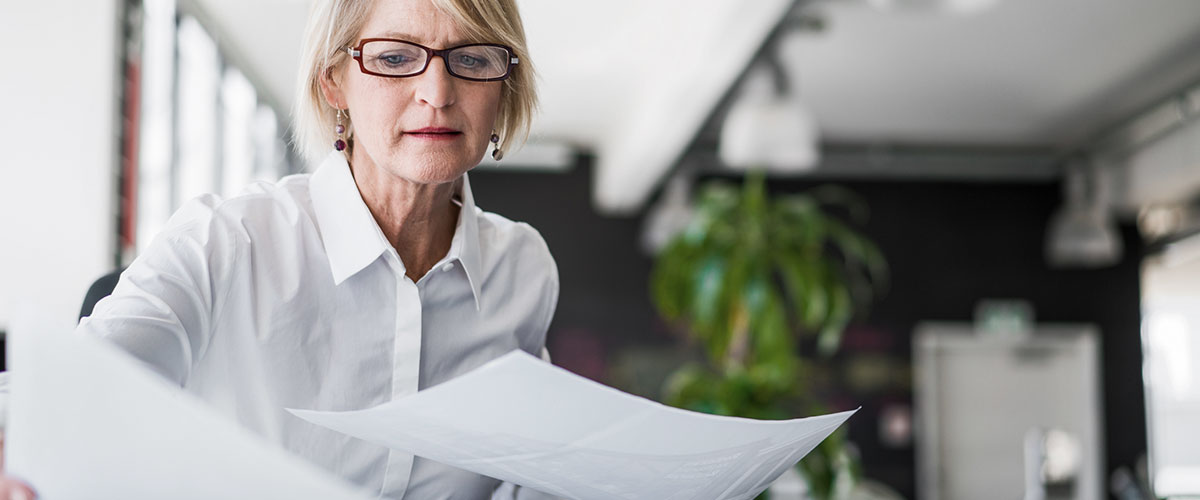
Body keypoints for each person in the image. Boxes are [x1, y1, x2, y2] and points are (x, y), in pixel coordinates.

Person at [0, 0, 558, 498]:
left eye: (474, 59)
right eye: (393, 59)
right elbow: (60, 397)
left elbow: (524, 466)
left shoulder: (523, 271)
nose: (437, 92)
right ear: (333, 82)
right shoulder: (224, 243)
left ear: (504, 82)